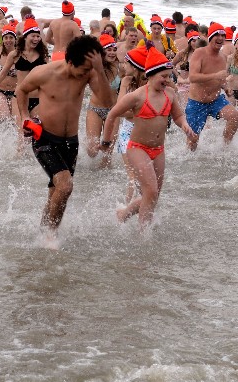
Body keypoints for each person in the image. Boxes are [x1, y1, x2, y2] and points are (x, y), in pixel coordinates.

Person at [17, 35, 111, 242]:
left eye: (91, 69)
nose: (88, 73)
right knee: (65, 186)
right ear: (70, 62)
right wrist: (25, 116)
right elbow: (21, 90)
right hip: (45, 139)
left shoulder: (89, 74)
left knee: (56, 192)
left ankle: (43, 230)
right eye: (85, 69)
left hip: (70, 142)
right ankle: (51, 236)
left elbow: (106, 101)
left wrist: (99, 69)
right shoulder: (43, 73)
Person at [100, 48, 197, 229]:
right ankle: (143, 234)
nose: (168, 80)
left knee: (153, 195)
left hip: (158, 150)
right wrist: (106, 141)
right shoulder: (137, 96)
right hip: (138, 148)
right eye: (164, 76)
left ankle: (124, 213)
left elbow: (178, 116)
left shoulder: (169, 94)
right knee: (150, 191)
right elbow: (112, 114)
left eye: (169, 76)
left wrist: (185, 126)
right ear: (150, 74)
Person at [184, 22, 238, 149]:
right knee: (193, 140)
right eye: (217, 35)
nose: (220, 38)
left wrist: (226, 88)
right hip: (197, 102)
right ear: (210, 37)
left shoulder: (223, 57)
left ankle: (225, 148)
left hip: (215, 100)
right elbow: (193, 77)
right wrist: (215, 76)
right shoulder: (199, 53)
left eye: (223, 36)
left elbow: (221, 79)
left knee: (234, 117)